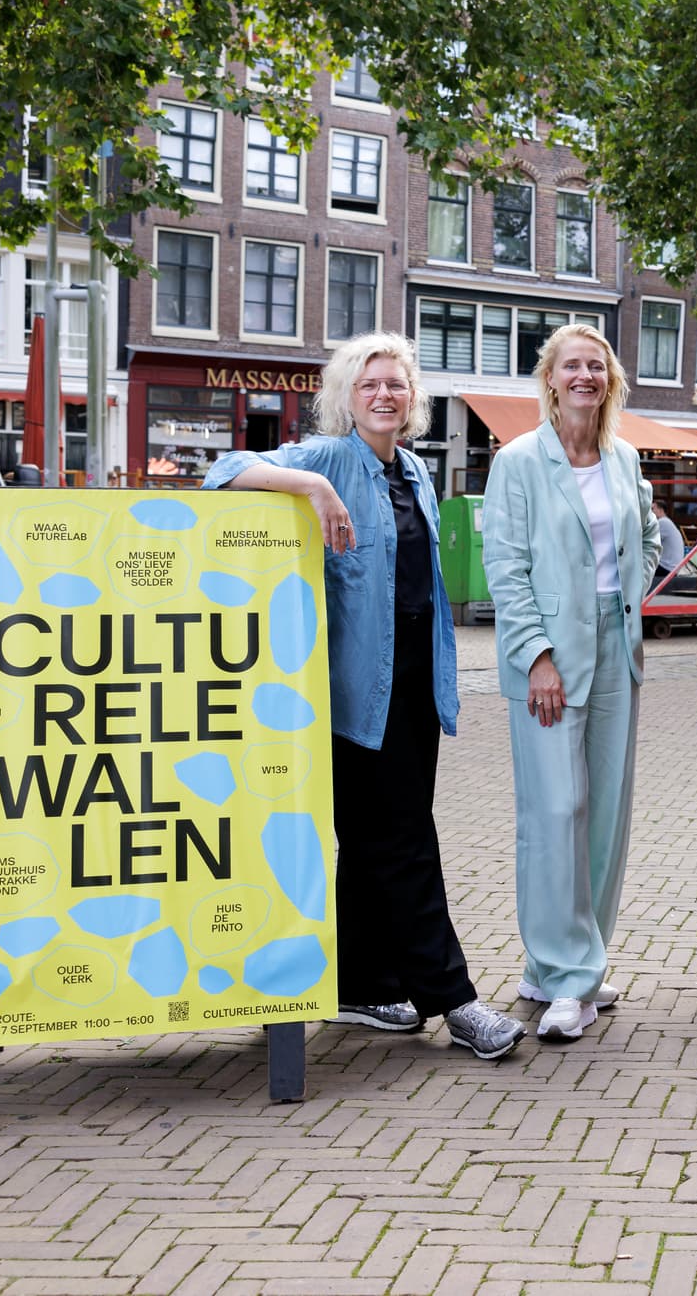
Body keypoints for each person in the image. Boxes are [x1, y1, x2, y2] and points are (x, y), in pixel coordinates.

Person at [204, 333, 525, 1062]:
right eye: (371, 384)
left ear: (413, 401)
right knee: (406, 840)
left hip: (417, 683)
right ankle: (455, 1001)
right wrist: (311, 489)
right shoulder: (327, 458)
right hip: (357, 692)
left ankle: (358, 983)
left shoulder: (412, 470)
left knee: (376, 841)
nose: (385, 395)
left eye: (398, 385)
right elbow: (221, 474)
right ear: (347, 396)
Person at [482, 324, 661, 1046]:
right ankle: (569, 978)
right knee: (557, 812)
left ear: (609, 380)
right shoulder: (519, 461)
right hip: (551, 663)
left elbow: (649, 536)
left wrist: (634, 588)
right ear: (549, 379)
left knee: (606, 817)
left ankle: (562, 962)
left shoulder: (623, 458)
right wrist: (537, 656)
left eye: (596, 366)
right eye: (571, 366)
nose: (584, 376)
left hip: (618, 654)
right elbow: (505, 566)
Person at [652, 499, 688, 576]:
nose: (650, 512)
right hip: (673, 568)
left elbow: (648, 541)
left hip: (667, 568)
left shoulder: (662, 522)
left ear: (660, 510)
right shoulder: (667, 522)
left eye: (652, 509)